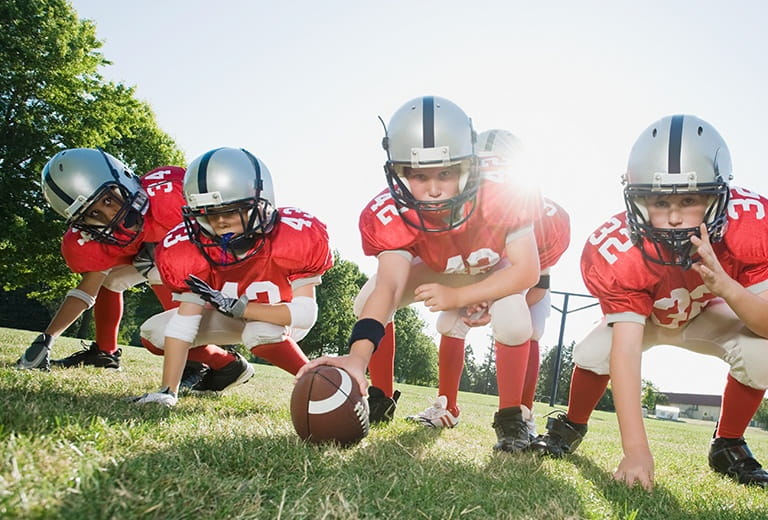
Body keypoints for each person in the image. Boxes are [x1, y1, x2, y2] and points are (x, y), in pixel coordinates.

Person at [531, 114, 768, 490]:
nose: (674, 217)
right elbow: (625, 351)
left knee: (762, 353)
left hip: (709, 310)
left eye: (689, 199)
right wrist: (636, 449)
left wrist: (728, 287)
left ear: (719, 195)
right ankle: (571, 427)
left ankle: (728, 444)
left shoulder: (750, 224)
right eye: (659, 201)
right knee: (594, 352)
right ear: (637, 198)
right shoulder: (618, 248)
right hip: (649, 319)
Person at [297, 96, 543, 452]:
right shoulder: (389, 210)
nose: (432, 188)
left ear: (469, 166)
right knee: (367, 299)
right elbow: (391, 286)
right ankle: (380, 393)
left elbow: (527, 271)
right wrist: (356, 358)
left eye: (445, 172)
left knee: (515, 318)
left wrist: (461, 298)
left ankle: (511, 418)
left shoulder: (504, 191)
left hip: (495, 267)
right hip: (441, 264)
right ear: (399, 172)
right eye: (418, 174)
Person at [133, 147, 333, 407]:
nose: (220, 223)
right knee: (154, 332)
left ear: (261, 202)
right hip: (230, 316)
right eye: (209, 214)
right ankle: (227, 367)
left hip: (283, 319)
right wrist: (167, 391)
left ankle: (319, 382)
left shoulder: (294, 235)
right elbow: (184, 325)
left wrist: (244, 308)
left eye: (229, 211)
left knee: (259, 330)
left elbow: (306, 313)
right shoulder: (188, 248)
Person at [406, 129, 571, 434]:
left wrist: (491, 302)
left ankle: (521, 415)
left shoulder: (539, 213)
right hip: (474, 277)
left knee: (524, 324)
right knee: (448, 324)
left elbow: (536, 288)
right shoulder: (453, 203)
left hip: (520, 287)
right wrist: (471, 297)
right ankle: (447, 406)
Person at [16, 148, 221, 386]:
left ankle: (208, 361)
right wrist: (46, 339)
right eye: (94, 213)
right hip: (153, 257)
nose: (109, 215)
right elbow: (86, 290)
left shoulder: (171, 197)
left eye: (107, 200)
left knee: (158, 265)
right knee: (111, 279)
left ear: (122, 181)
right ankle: (106, 353)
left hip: (198, 270)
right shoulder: (100, 235)